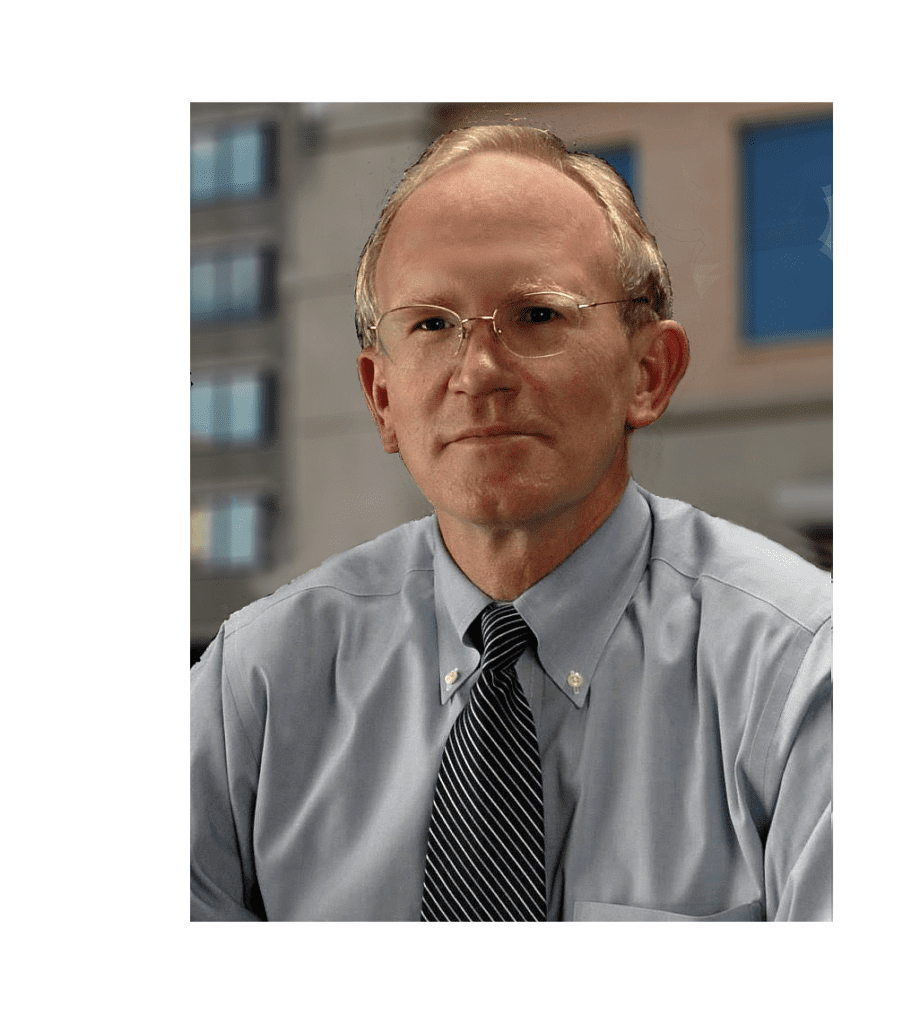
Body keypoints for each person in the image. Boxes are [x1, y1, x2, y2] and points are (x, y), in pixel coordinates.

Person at [190, 125, 832, 922]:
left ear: (649, 373)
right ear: (381, 398)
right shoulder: (251, 684)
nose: (481, 372)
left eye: (536, 314)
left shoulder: (807, 676)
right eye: (430, 324)